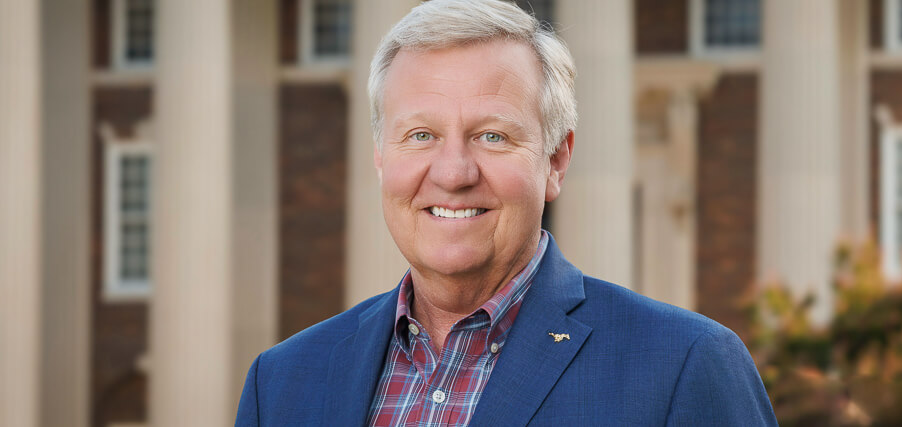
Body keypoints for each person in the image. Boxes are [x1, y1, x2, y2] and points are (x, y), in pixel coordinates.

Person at [235, 0, 776, 425]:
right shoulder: (281, 384)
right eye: (420, 135)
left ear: (556, 160)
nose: (453, 172)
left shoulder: (686, 365)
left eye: (491, 136)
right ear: (381, 158)